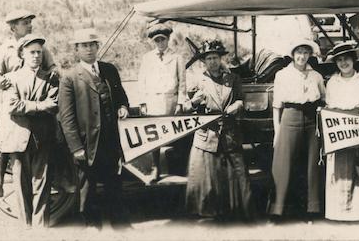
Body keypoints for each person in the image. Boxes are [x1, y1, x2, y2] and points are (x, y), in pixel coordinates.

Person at [58, 28, 131, 229]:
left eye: (92, 45)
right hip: (87, 143)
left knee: (113, 183)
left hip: (111, 140)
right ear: (76, 50)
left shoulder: (109, 70)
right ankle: (92, 224)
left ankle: (118, 224)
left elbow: (121, 96)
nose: (89, 49)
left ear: (97, 47)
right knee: (87, 187)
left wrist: (123, 107)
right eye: (84, 46)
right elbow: (67, 117)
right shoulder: (70, 77)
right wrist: (76, 147)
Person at [0, 9, 57, 201]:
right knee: (3, 135)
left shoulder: (39, 46)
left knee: (58, 131)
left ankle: (64, 176)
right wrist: (5, 82)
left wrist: (51, 76)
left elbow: (52, 68)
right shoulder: (3, 50)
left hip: (37, 98)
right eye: (25, 23)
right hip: (12, 103)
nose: (29, 25)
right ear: (13, 27)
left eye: (29, 22)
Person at [185, 39, 254, 221]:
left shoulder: (232, 79)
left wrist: (237, 106)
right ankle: (209, 213)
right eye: (208, 59)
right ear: (204, 62)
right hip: (207, 134)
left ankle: (240, 211)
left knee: (238, 175)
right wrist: (194, 102)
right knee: (208, 177)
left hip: (230, 133)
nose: (213, 62)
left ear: (220, 59)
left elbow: (241, 99)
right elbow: (184, 108)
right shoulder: (197, 81)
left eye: (215, 57)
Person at [1, 34, 58, 228]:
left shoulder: (50, 78)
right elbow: (12, 106)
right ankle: (26, 228)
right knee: (21, 185)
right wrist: (40, 106)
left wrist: (30, 106)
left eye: (39, 53)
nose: (36, 56)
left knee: (42, 185)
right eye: (32, 52)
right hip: (19, 138)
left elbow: (53, 105)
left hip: (43, 138)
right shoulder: (11, 79)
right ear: (22, 54)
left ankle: (41, 230)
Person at [269, 39, 325, 221]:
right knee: (282, 163)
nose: (302, 56)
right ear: (292, 55)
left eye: (306, 52)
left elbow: (324, 98)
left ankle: (312, 209)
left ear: (310, 55)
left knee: (312, 164)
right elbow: (277, 105)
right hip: (289, 116)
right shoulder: (282, 75)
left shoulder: (316, 75)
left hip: (311, 119)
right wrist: (277, 132)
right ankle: (277, 211)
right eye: (298, 52)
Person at [324, 42, 359, 222]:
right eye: (339, 60)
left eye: (346, 59)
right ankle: (339, 213)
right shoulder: (332, 83)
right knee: (340, 170)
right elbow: (328, 106)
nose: (343, 63)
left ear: (354, 60)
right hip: (340, 132)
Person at [135, 21, 187, 181]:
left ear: (168, 39)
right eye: (157, 40)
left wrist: (180, 102)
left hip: (170, 101)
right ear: (153, 41)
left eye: (163, 39)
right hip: (153, 102)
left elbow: (182, 82)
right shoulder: (147, 58)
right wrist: (142, 102)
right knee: (155, 136)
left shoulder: (177, 58)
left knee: (175, 133)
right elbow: (142, 81)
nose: (160, 43)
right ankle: (155, 168)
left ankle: (177, 167)